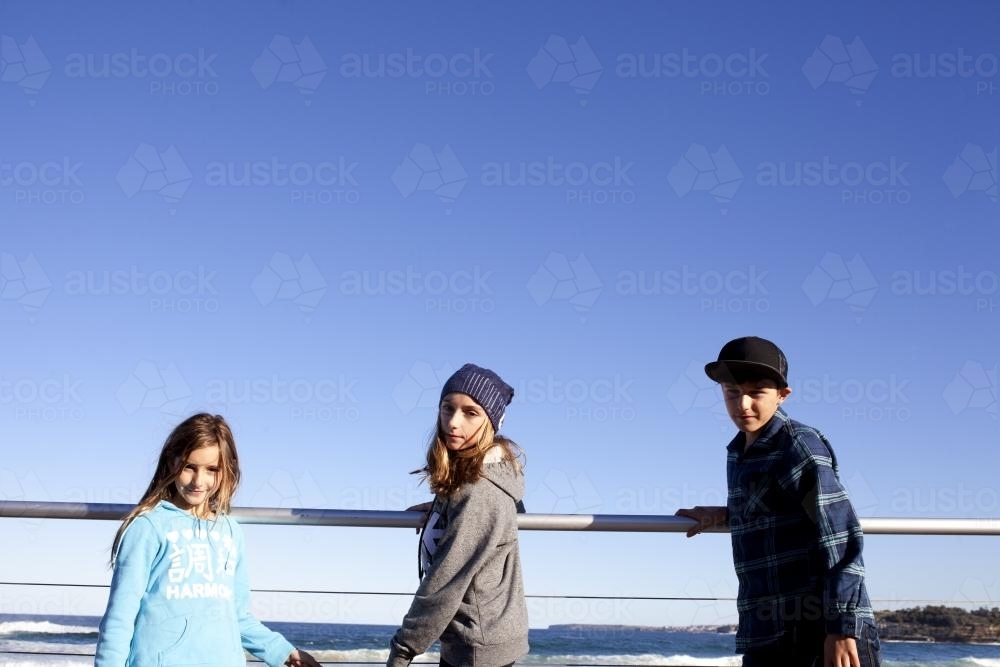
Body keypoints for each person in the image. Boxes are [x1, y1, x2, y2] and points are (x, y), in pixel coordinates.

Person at [675, 336, 882, 667]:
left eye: (756, 393)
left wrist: (842, 629)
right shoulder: (740, 451)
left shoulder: (798, 446)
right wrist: (729, 513)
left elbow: (841, 538)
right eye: (732, 393)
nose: (743, 404)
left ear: (782, 395)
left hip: (819, 633)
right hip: (769, 634)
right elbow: (783, 510)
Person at [94, 413, 321, 667]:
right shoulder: (148, 527)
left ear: (226, 471)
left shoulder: (230, 532)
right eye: (189, 467)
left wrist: (283, 652)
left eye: (212, 469)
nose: (198, 481)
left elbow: (238, 616)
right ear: (172, 462)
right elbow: (120, 618)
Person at [387, 363, 529, 667]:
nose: (453, 422)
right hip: (470, 641)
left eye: (471, 413)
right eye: (447, 408)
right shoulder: (473, 480)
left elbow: (445, 580)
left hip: (477, 650)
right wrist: (442, 509)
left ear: (491, 422)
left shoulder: (479, 492)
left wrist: (402, 649)